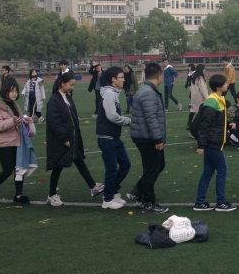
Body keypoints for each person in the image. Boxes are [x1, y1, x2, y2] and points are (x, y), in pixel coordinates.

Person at [45, 71, 103, 206]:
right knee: (58, 166)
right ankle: (52, 195)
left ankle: (93, 186)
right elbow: (55, 123)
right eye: (70, 85)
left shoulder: (67, 97)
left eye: (73, 85)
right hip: (61, 141)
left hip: (72, 138)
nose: (72, 87)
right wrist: (64, 138)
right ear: (62, 84)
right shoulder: (54, 100)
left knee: (78, 159)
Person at [192, 74, 238, 212]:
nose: (227, 85)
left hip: (214, 142)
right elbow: (204, 124)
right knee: (222, 170)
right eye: (225, 83)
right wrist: (201, 145)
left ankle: (200, 202)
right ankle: (220, 202)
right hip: (213, 143)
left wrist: (228, 125)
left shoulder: (219, 99)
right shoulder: (212, 101)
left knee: (208, 172)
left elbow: (216, 122)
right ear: (218, 87)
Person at [0, 78, 36, 205]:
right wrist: (12, 121)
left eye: (16, 91)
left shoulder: (14, 105)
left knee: (19, 168)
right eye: (12, 91)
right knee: (8, 169)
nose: (14, 94)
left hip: (16, 141)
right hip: (3, 143)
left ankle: (18, 195)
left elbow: (17, 120)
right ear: (5, 91)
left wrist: (26, 120)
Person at [129, 63, 169, 213]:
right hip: (147, 137)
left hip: (145, 135)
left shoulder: (146, 90)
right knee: (153, 168)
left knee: (157, 165)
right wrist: (158, 139)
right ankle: (148, 201)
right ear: (159, 75)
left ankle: (138, 191)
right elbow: (151, 118)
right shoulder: (148, 93)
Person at [93, 67, 131, 210]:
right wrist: (129, 121)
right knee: (112, 169)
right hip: (106, 137)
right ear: (113, 79)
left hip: (113, 137)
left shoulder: (113, 92)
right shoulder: (109, 93)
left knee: (125, 164)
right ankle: (107, 199)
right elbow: (112, 116)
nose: (123, 80)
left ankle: (113, 191)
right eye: (121, 77)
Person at [187, 64, 209, 133]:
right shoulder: (200, 78)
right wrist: (208, 98)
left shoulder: (194, 76)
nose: (205, 71)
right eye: (204, 69)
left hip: (194, 96)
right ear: (201, 70)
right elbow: (203, 90)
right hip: (200, 97)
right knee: (201, 111)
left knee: (193, 110)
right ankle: (195, 125)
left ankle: (189, 124)